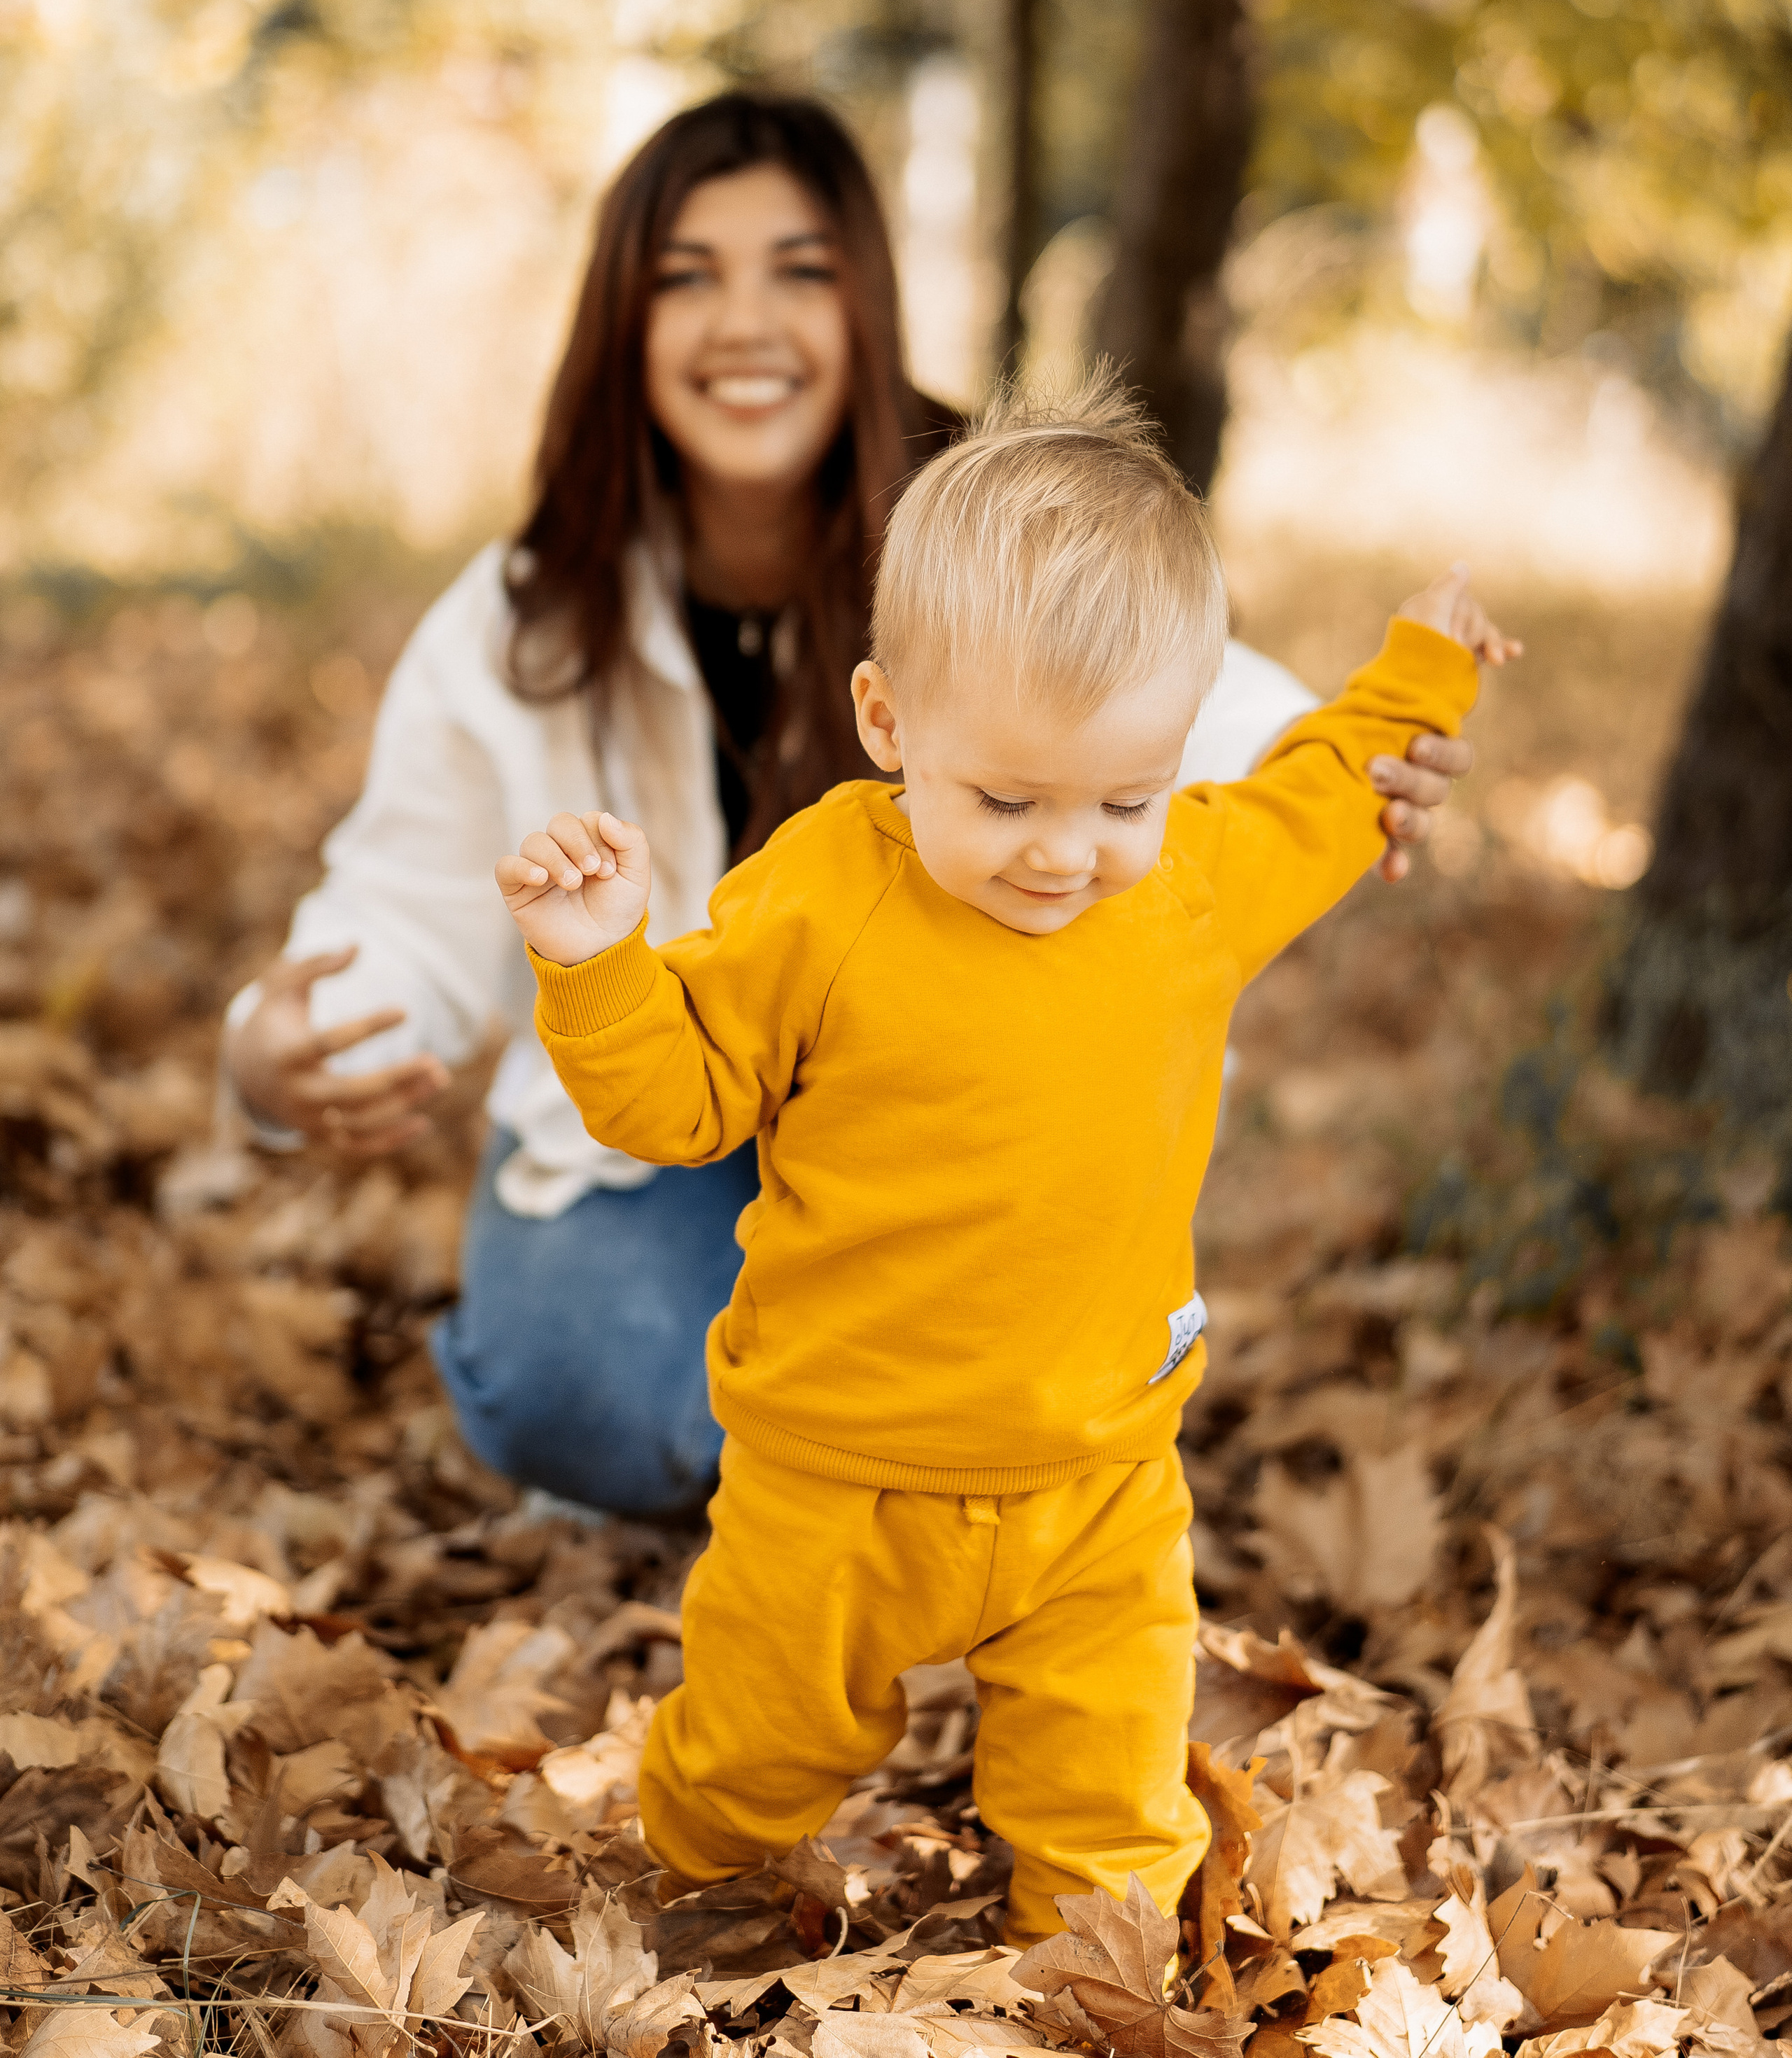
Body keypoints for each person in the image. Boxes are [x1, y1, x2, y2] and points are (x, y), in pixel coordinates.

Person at [220, 91, 1472, 1518]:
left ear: (863, 302)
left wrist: (1355, 751)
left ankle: (962, 1477)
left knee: (925, 1385)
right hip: (659, 1127)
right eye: (688, 277)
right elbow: (410, 901)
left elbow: (1206, 712)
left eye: (797, 273)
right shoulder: (523, 615)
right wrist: (279, 1051)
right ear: (621, 320)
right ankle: (871, 1484)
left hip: (947, 1116)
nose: (743, 322)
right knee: (576, 1387)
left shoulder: (975, 526)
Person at [497, 374, 1518, 1943]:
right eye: (1003, 797)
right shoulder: (828, 895)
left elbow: (1321, 787)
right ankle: (678, 1908)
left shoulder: (1187, 877)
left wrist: (1425, 664)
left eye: (1123, 792)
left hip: (1098, 1474)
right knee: (753, 1755)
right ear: (887, 722)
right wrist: (598, 964)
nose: (1063, 849)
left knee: (1109, 1806)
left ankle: (1092, 1983)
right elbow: (675, 1099)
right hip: (836, 1473)